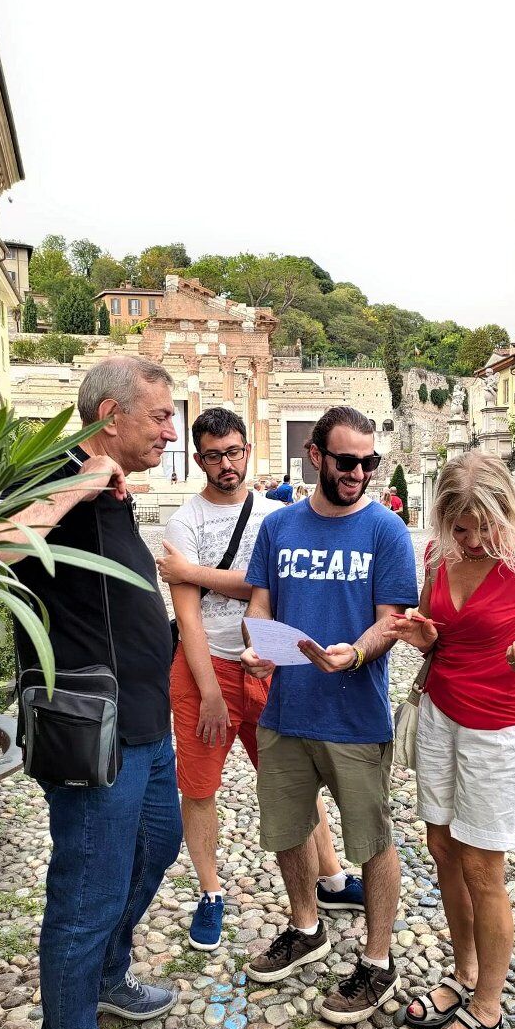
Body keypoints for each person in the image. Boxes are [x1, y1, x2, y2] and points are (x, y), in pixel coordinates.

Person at [0, 356, 183, 1029]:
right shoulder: (51, 475)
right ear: (110, 414)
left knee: (157, 846)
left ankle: (107, 972)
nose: (172, 430)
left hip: (145, 722)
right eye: (160, 416)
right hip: (90, 733)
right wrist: (83, 479)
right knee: (85, 889)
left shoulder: (117, 494)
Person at [390, 453, 515, 1029]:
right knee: (442, 846)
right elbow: (434, 629)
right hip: (442, 711)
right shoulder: (439, 556)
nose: (472, 541)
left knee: (482, 864)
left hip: (498, 726)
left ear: (507, 514)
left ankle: (489, 1008)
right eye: (460, 528)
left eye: (483, 528)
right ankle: (464, 971)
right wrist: (422, 635)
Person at [156, 408, 364, 952]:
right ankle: (210, 892)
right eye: (213, 454)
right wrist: (207, 692)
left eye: (235, 452)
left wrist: (198, 573)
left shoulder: (278, 515)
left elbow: (267, 588)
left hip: (270, 664)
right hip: (208, 669)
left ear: (249, 449)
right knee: (199, 787)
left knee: (298, 781)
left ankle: (334, 877)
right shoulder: (185, 522)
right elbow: (188, 615)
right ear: (197, 458)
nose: (226, 464)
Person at [241, 405, 419, 1023]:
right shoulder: (279, 527)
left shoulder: (386, 532)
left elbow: (392, 620)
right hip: (286, 712)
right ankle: (305, 925)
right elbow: (260, 604)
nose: (359, 473)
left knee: (371, 840)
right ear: (316, 456)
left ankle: (377, 961)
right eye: (347, 461)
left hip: (355, 716)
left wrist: (359, 651)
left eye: (370, 463)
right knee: (288, 830)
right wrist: (256, 646)